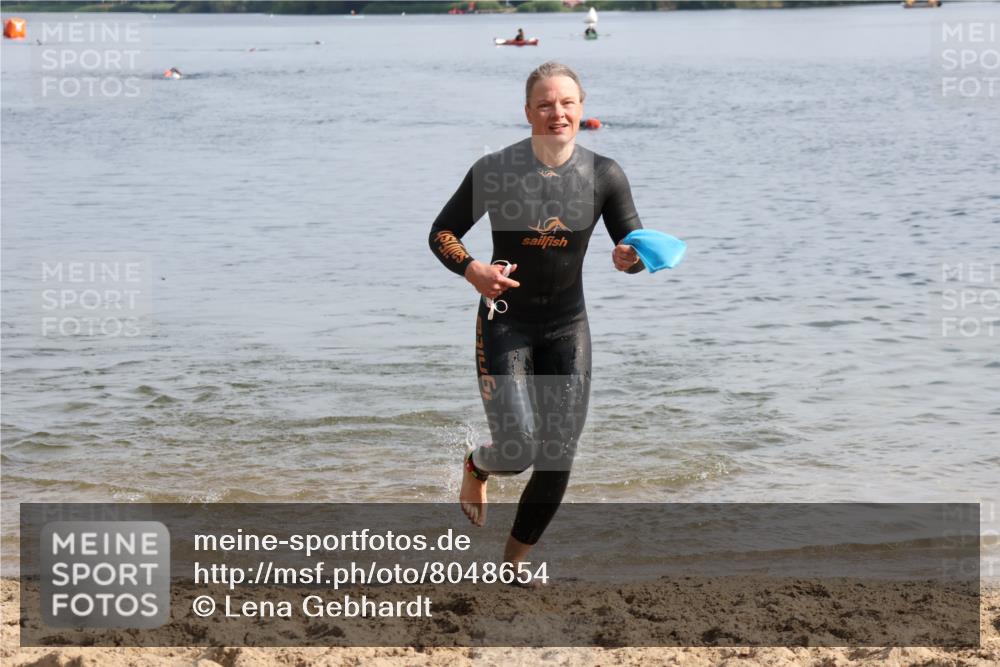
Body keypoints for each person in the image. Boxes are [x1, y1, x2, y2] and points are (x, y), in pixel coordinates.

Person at [429, 62, 645, 572]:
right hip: (505, 322)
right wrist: (473, 270)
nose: (557, 113)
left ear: (582, 108)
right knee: (518, 448)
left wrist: (629, 258)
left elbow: (632, 247)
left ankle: (514, 565)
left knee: (557, 458)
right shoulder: (496, 170)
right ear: (527, 112)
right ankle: (477, 464)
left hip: (568, 327)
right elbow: (442, 232)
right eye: (545, 104)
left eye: (567, 103)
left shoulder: (604, 175)